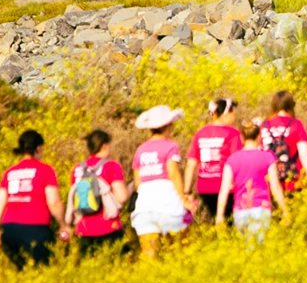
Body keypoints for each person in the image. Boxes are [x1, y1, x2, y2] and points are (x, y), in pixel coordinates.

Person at [0, 129, 67, 268]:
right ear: (38, 148)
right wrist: (63, 224)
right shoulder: (46, 170)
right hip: (36, 229)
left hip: (8, 231)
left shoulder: (10, 172)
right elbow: (54, 202)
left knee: (22, 270)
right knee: (43, 270)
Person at [129, 106, 192, 254]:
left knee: (149, 253)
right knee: (178, 251)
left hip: (145, 206)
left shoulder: (141, 150)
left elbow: (138, 182)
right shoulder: (170, 146)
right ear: (167, 126)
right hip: (168, 205)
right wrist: (184, 199)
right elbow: (173, 173)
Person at [68, 129, 131, 258]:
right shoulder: (111, 165)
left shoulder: (78, 168)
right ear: (104, 145)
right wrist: (132, 186)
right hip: (108, 226)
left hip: (83, 228)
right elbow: (122, 197)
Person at [218, 121, 285, 238]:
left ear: (241, 137)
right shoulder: (268, 157)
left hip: (240, 210)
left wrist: (219, 216)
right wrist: (284, 209)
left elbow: (224, 189)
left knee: (247, 249)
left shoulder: (232, 160)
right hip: (261, 209)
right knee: (256, 250)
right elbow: (275, 187)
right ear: (259, 136)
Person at [183, 98, 242, 222]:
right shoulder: (232, 133)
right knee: (229, 224)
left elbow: (191, 164)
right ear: (226, 114)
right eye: (233, 112)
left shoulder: (200, 133)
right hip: (226, 188)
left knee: (213, 220)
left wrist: (187, 190)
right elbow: (236, 161)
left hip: (204, 188)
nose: (234, 116)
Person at [259, 91, 307, 194]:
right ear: (291, 106)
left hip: (268, 184)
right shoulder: (296, 124)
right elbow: (304, 155)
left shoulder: (264, 125)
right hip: (293, 182)